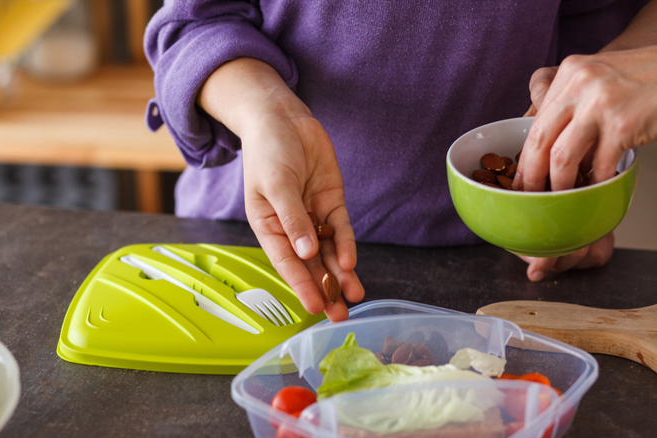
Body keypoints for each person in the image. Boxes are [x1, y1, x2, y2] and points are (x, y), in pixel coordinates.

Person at [144, 0, 657, 322]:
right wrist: (264, 113)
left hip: (496, 267)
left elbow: (597, 23)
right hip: (255, 247)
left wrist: (566, 190)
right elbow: (193, 28)